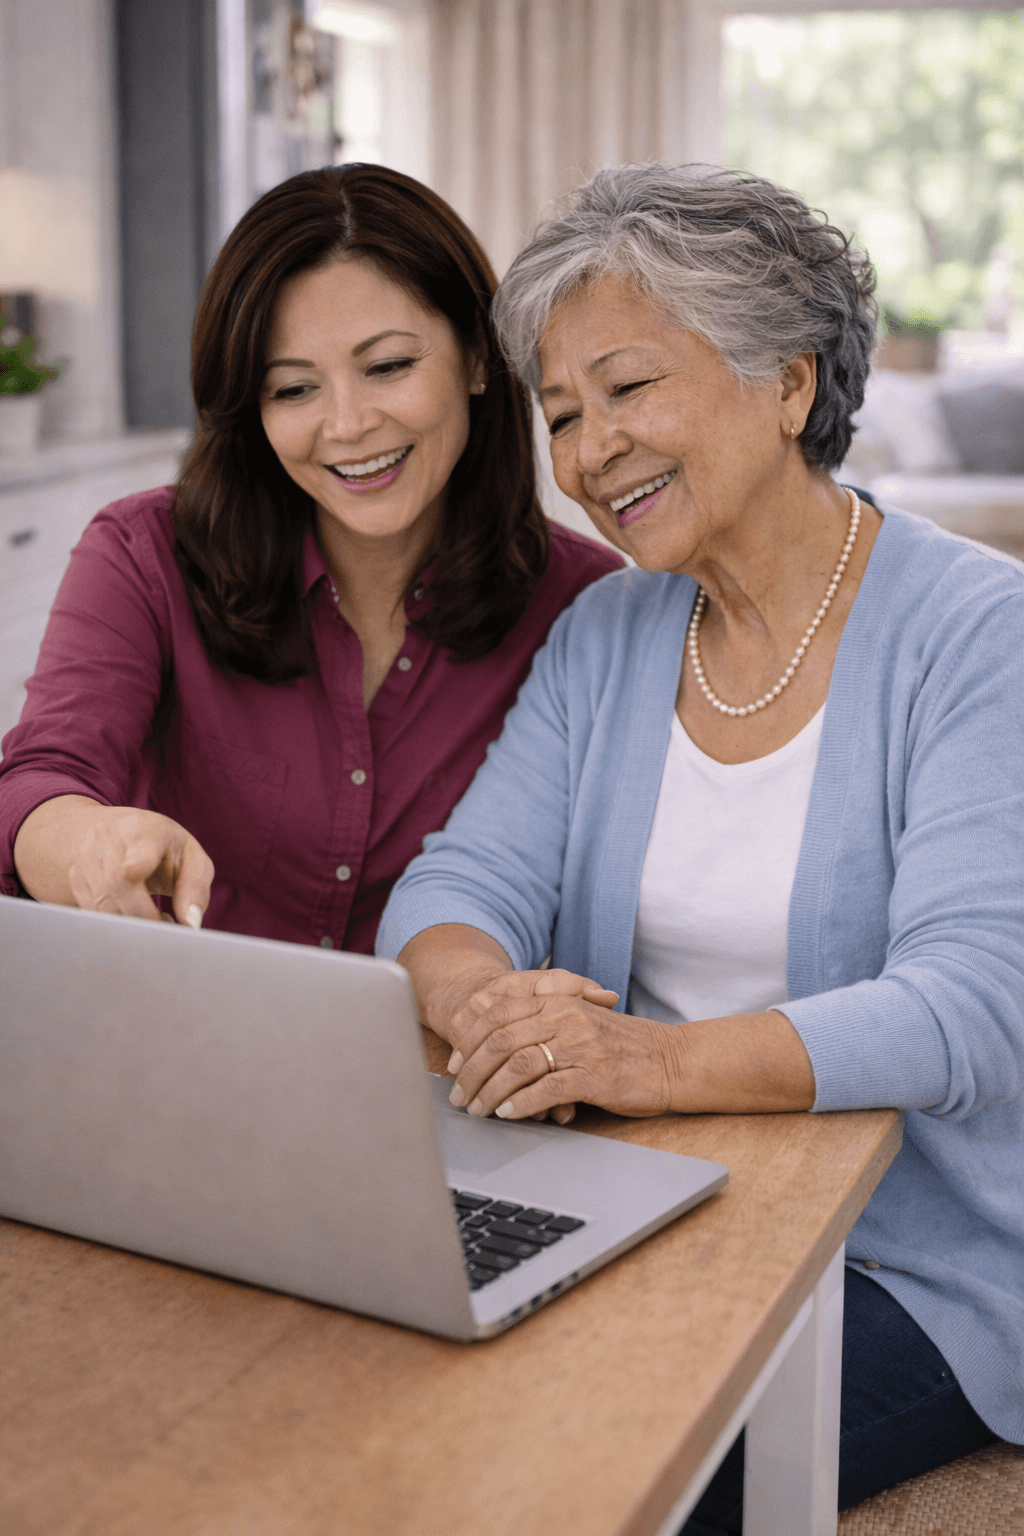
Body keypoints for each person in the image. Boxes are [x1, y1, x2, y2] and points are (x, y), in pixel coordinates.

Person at [375, 164, 1024, 1522]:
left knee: (599, 1471)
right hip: (639, 1194)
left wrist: (643, 1063)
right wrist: (487, 1000)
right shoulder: (607, 634)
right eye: (562, 415)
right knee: (382, 1391)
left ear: (786, 382)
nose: (589, 451)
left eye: (626, 389)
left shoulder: (980, 635)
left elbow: (972, 1010)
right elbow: (454, 883)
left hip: (911, 1256)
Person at [0, 164, 621, 950]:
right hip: (173, 1042)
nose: (348, 424)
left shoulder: (584, 605)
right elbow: (39, 777)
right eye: (292, 390)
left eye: (388, 367)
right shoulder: (143, 553)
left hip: (431, 1062)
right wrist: (80, 841)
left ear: (474, 358)